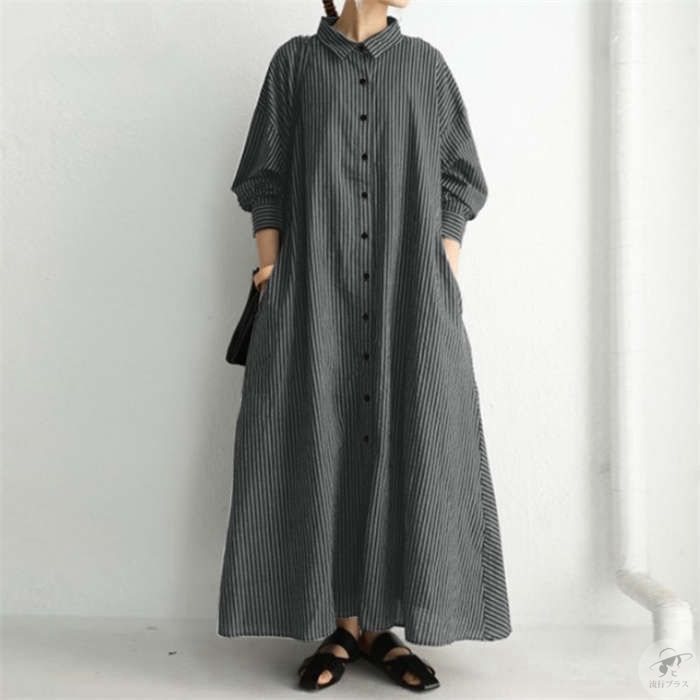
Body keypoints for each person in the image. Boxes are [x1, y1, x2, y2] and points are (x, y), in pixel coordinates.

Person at [218, 0, 511, 691]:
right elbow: (265, 177)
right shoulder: (295, 65)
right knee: (320, 441)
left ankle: (381, 628)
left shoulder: (425, 68)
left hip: (411, 297)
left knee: (413, 440)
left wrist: (441, 264)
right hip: (313, 294)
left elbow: (461, 177)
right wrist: (270, 269)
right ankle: (343, 626)